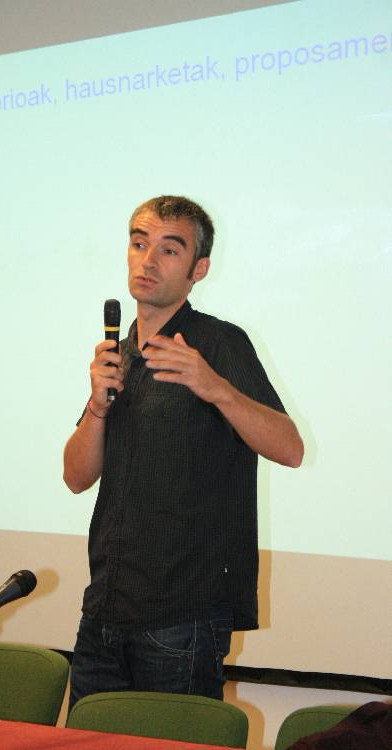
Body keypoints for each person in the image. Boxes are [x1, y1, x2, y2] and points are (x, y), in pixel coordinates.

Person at [63, 195, 304, 712]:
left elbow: (289, 448)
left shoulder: (217, 344)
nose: (148, 260)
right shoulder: (120, 352)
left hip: (182, 617)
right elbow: (76, 477)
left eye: (169, 250)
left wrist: (214, 387)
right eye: (139, 244)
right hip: (104, 608)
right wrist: (97, 406)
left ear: (199, 269)